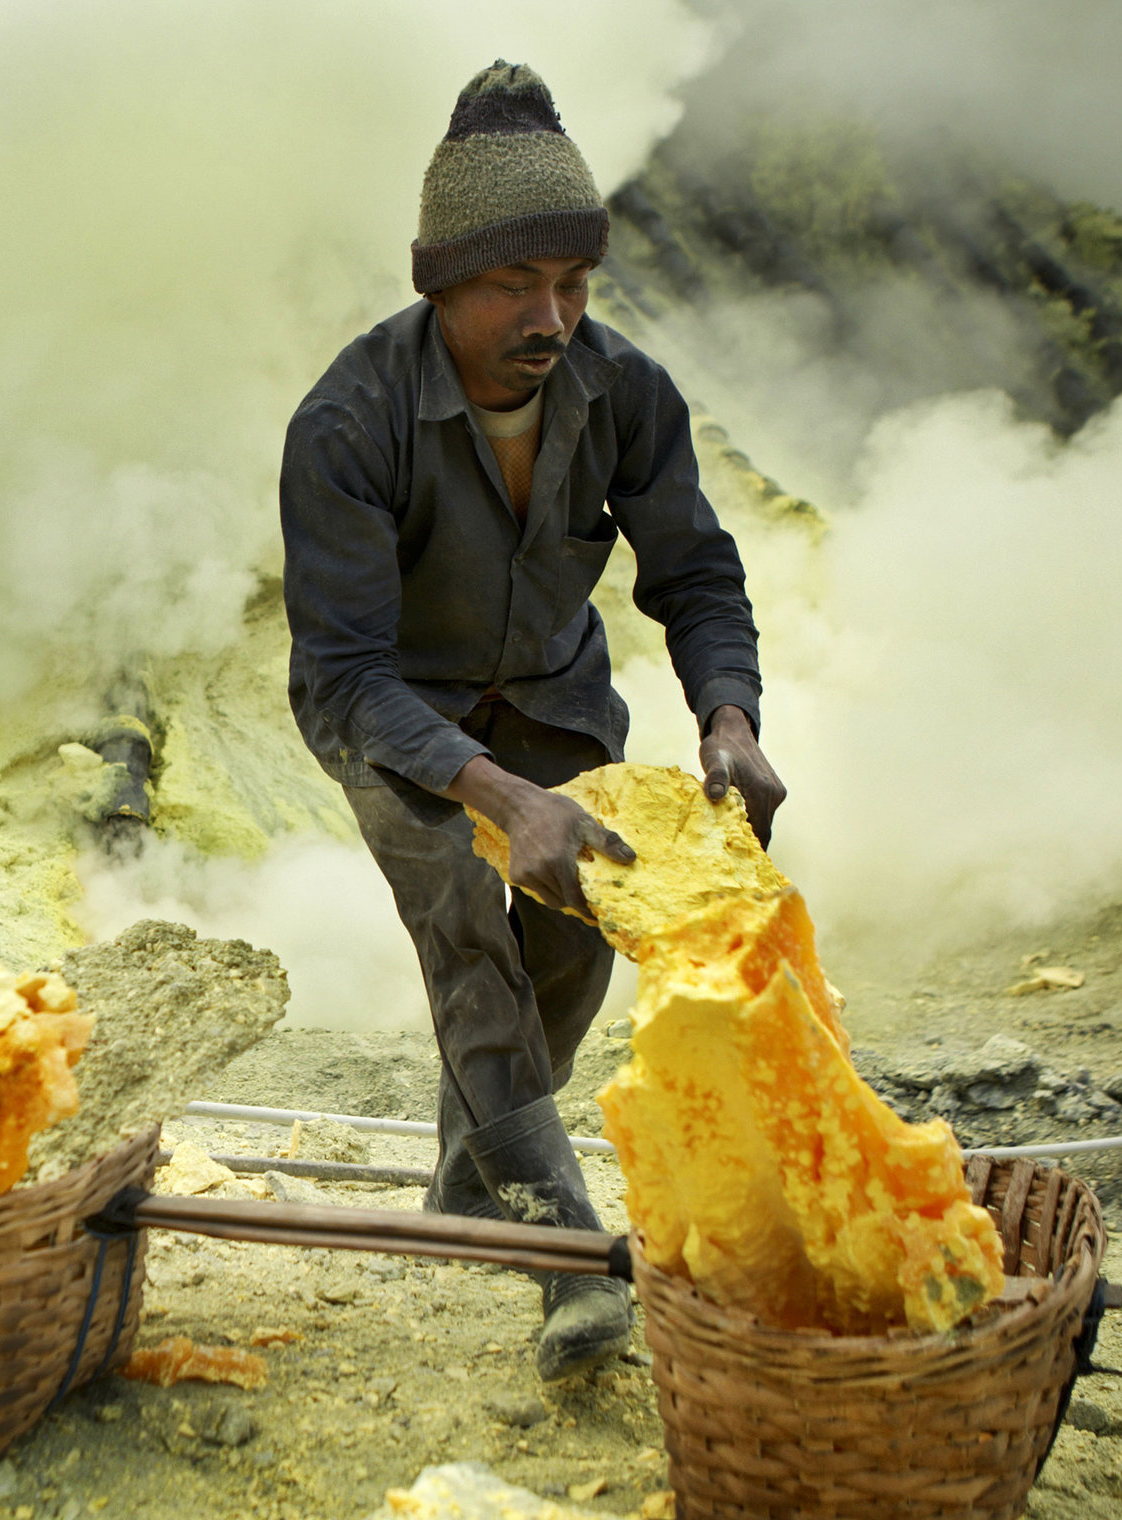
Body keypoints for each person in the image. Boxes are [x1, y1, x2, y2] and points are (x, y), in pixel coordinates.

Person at [279, 63, 786, 1381]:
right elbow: (342, 669)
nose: (552, 316)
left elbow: (698, 577)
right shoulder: (346, 423)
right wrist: (499, 798)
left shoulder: (627, 395)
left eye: (574, 283)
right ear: (439, 282)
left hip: (557, 699)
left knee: (571, 947)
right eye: (517, 285)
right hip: (400, 722)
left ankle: (466, 1197)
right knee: (472, 950)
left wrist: (728, 713)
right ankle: (561, 1251)